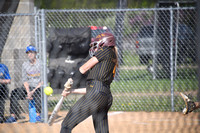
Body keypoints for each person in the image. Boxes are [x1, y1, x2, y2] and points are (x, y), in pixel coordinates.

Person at [60, 32, 118, 133]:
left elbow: (84, 68)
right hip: (105, 97)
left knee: (66, 125)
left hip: (96, 95)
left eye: (96, 46)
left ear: (104, 43)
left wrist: (71, 79)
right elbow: (95, 88)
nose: (95, 49)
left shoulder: (106, 50)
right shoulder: (110, 59)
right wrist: (71, 91)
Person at [6, 45, 43, 123]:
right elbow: (25, 80)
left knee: (38, 92)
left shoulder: (41, 64)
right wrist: (28, 91)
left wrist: (33, 91)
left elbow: (43, 81)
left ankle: (38, 116)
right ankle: (13, 116)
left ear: (35, 53)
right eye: (28, 53)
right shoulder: (25, 65)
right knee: (14, 93)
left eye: (31, 52)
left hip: (38, 87)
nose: (29, 54)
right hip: (28, 88)